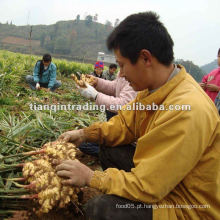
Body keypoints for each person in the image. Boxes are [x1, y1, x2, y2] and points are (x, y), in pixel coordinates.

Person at [54, 12, 220, 220]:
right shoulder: (152, 90)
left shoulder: (187, 110)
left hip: (186, 206)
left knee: (101, 210)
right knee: (108, 147)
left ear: (145, 58)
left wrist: (91, 177)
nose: (120, 74)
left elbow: (149, 185)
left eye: (122, 65)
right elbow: (124, 124)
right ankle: (126, 196)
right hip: (165, 182)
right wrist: (85, 134)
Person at [77, 71, 137, 157]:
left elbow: (124, 105)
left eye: (122, 64)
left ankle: (110, 148)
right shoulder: (128, 71)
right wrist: (97, 82)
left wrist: (96, 95)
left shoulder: (138, 77)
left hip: (131, 133)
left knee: (106, 150)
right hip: (123, 125)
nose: (120, 73)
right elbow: (115, 87)